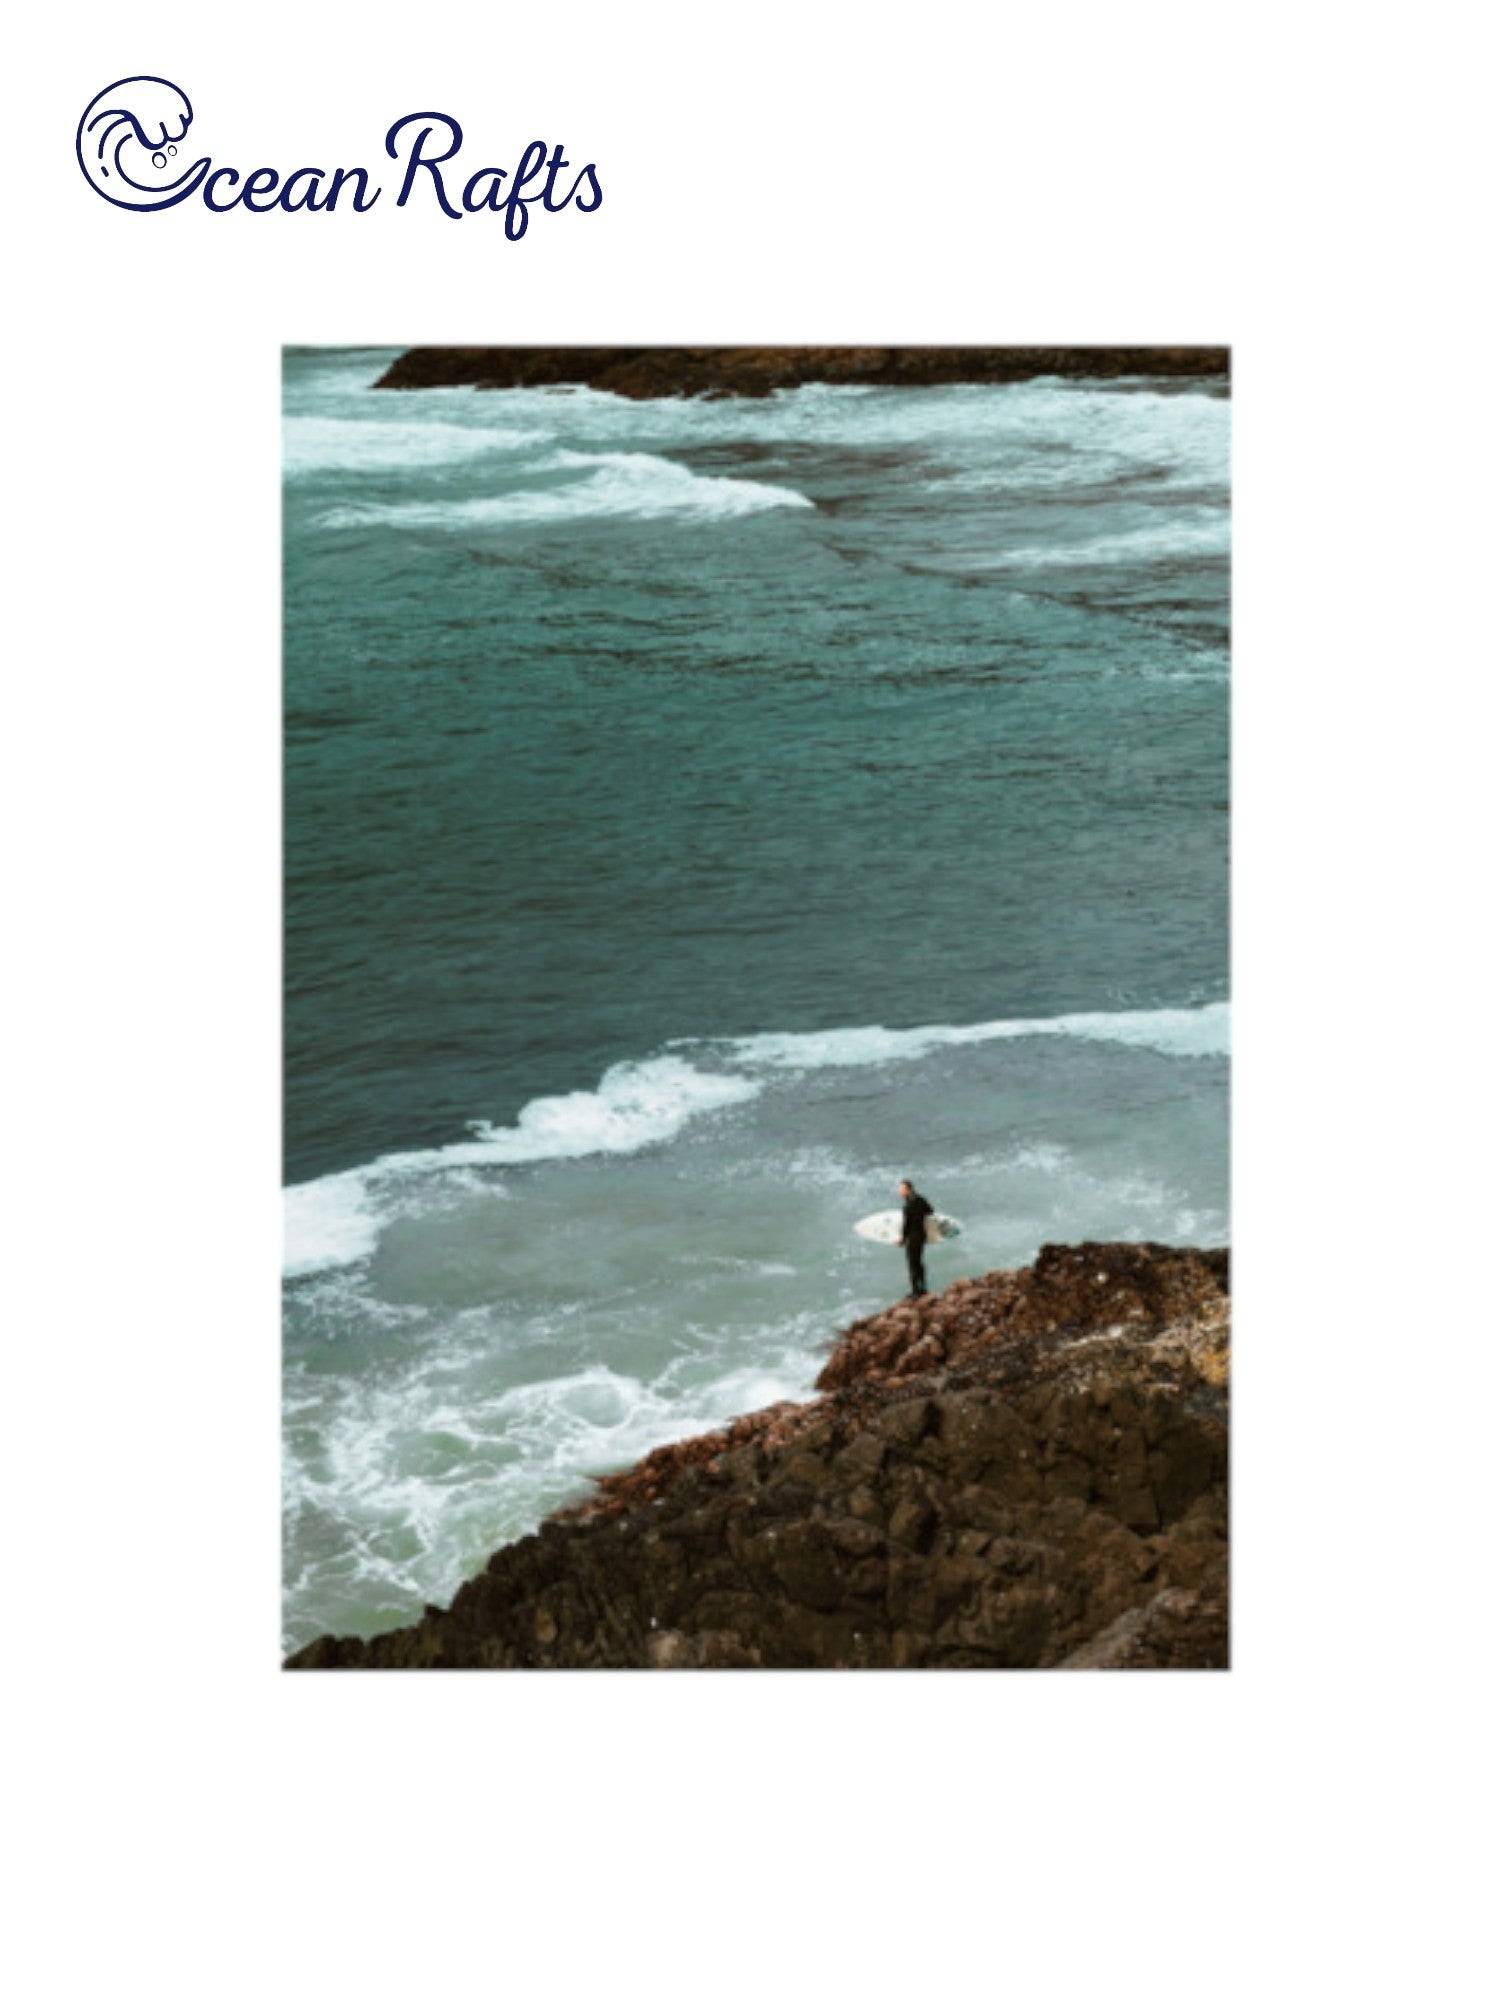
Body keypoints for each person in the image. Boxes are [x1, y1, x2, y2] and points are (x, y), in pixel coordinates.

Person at [895, 1178, 933, 1296]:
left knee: (912, 1264)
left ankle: (915, 1292)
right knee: (919, 1263)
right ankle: (923, 1288)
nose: (899, 1191)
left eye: (901, 1189)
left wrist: (902, 1239)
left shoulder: (908, 1206)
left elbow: (906, 1225)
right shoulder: (920, 1199)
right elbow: (930, 1211)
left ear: (907, 1190)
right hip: (922, 1236)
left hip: (912, 1238)